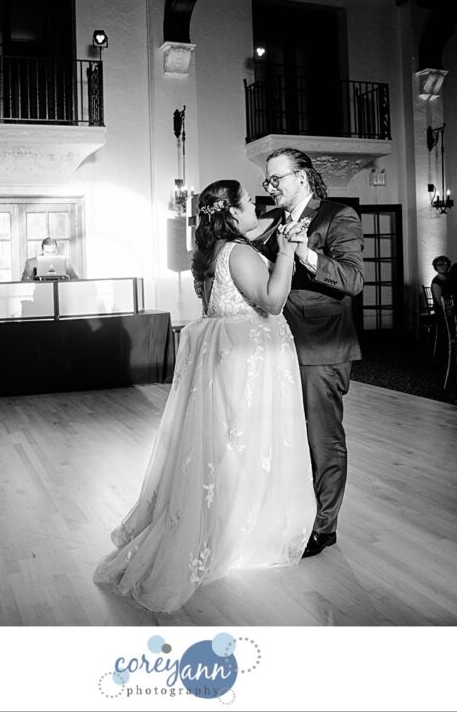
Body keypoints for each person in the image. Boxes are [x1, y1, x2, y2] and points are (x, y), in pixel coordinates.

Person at [93, 180, 316, 612]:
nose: (257, 205)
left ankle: (216, 523)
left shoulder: (211, 255)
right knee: (247, 446)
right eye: (249, 202)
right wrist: (287, 252)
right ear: (231, 212)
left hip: (225, 357)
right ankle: (241, 532)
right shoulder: (241, 253)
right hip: (249, 359)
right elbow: (271, 302)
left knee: (226, 446)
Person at [255, 147, 365, 558]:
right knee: (288, 437)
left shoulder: (338, 216)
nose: (270, 187)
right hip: (281, 346)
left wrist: (304, 252)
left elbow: (353, 280)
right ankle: (292, 515)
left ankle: (324, 528)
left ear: (301, 177)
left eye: (276, 179)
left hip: (322, 348)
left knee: (323, 439)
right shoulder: (274, 223)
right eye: (267, 181)